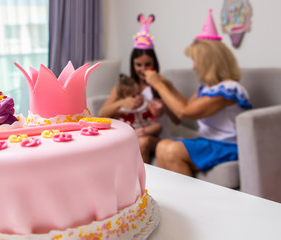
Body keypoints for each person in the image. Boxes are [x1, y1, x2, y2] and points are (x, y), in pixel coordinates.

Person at [144, 9, 252, 176]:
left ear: (209, 62)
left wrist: (158, 85)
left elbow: (183, 112)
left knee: (172, 150)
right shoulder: (208, 88)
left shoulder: (228, 89)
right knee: (162, 146)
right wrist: (169, 85)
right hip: (208, 142)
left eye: (195, 61)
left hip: (228, 145)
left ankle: (187, 200)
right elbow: (187, 104)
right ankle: (172, 200)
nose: (194, 66)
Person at [98, 14, 172, 164]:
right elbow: (101, 114)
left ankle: (142, 185)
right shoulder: (126, 85)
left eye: (147, 65)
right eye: (139, 65)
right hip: (133, 133)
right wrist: (121, 103)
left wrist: (165, 108)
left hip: (156, 134)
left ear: (154, 64)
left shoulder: (161, 83)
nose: (143, 69)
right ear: (132, 64)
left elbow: (177, 119)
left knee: (143, 141)